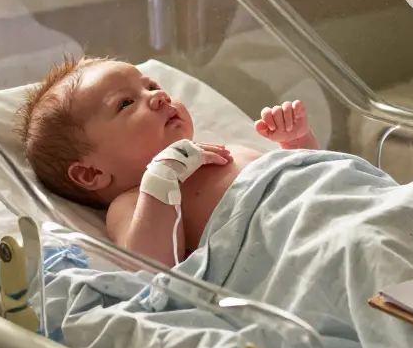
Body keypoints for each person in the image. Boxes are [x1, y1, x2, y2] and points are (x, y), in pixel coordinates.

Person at [17, 56, 318, 266]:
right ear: (90, 172)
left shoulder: (223, 150)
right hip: (296, 242)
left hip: (330, 198)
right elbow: (152, 267)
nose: (158, 95)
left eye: (150, 86)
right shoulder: (132, 202)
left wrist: (296, 142)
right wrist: (162, 177)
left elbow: (309, 178)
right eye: (125, 103)